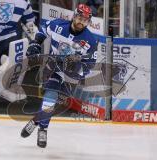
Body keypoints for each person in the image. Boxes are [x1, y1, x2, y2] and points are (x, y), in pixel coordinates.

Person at [20, 4, 98, 148]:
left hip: (71, 75)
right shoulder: (58, 25)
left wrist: (77, 70)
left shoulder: (90, 41)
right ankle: (43, 130)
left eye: (85, 20)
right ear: (74, 16)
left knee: (55, 103)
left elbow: (91, 63)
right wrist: (35, 43)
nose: (81, 22)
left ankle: (36, 121)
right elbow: (43, 30)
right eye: (80, 18)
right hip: (54, 67)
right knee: (51, 95)